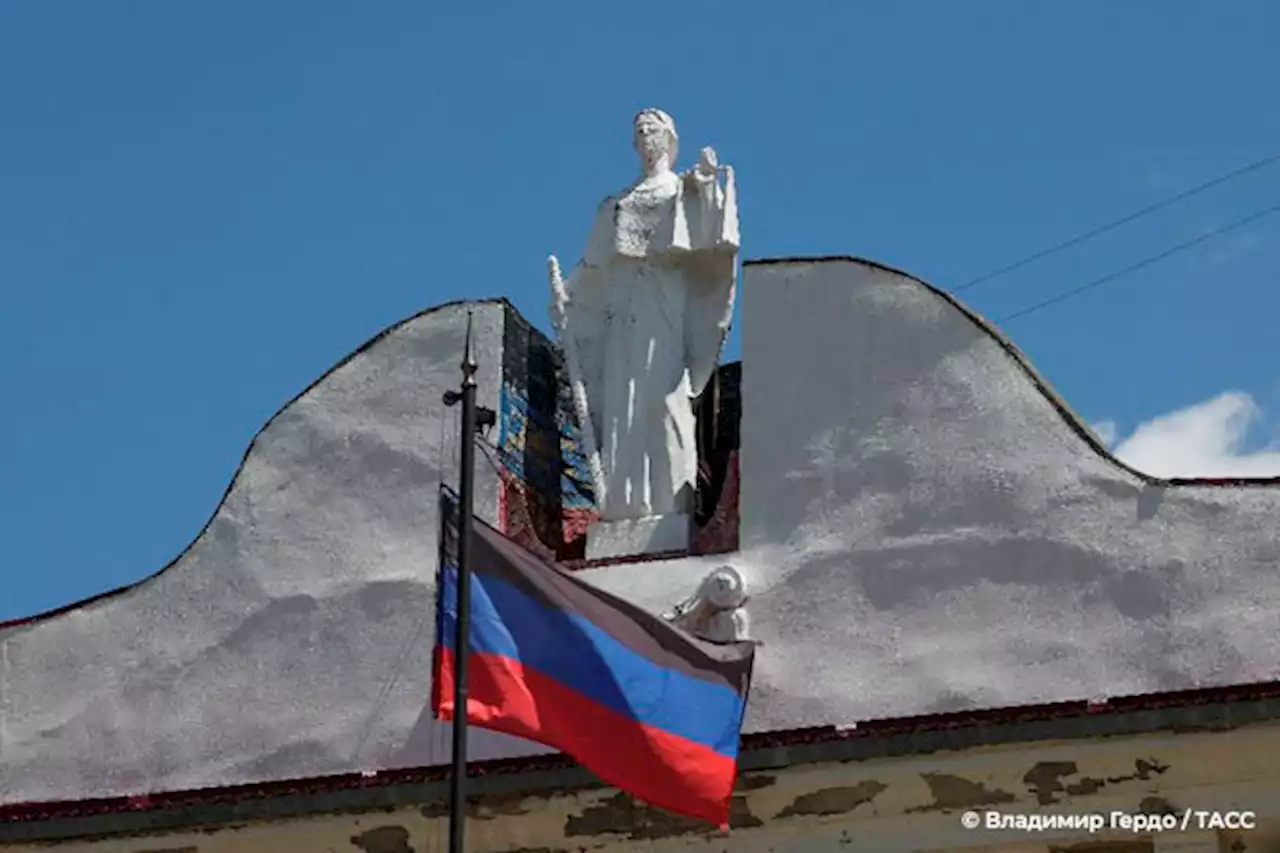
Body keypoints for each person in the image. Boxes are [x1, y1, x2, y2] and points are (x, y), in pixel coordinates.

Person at [548, 109, 739, 532]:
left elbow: (713, 236)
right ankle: (625, 506)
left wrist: (707, 185)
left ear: (670, 139)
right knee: (623, 404)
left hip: (663, 304)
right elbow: (594, 263)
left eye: (653, 130)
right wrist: (569, 293)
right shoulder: (618, 202)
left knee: (664, 398)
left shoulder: (681, 188)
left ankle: (673, 502)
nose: (645, 136)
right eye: (639, 132)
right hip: (624, 308)